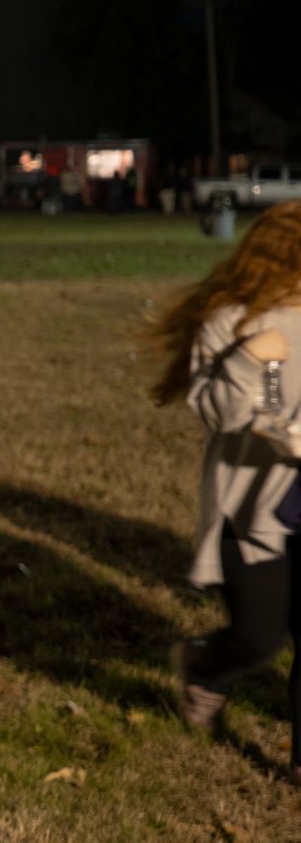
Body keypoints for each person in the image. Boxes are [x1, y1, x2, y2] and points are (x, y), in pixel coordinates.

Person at [154, 201, 301, 779]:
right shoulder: (229, 320)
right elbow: (217, 412)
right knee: (259, 636)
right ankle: (204, 668)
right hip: (255, 503)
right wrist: (247, 359)